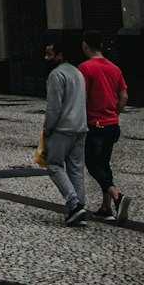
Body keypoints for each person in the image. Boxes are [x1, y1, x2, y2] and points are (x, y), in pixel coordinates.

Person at [79, 30, 131, 224]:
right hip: (112, 125)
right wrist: (114, 114)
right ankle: (105, 206)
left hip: (95, 124)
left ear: (85, 46)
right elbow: (124, 97)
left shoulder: (85, 68)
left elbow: (82, 97)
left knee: (93, 164)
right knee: (104, 163)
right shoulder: (114, 68)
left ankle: (117, 196)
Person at [43, 36, 88, 226]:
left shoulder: (56, 75)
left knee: (53, 165)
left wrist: (47, 129)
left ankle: (74, 203)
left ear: (60, 56)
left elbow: (54, 106)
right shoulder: (78, 73)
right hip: (80, 126)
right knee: (76, 168)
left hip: (62, 128)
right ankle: (79, 207)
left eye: (50, 54)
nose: (46, 58)